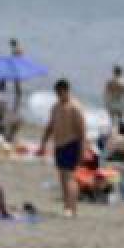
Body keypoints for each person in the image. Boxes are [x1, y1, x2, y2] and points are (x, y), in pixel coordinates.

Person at [37, 79, 87, 218]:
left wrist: (82, 151)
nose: (58, 96)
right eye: (57, 93)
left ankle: (72, 208)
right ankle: (67, 206)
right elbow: (50, 126)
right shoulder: (56, 107)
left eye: (60, 93)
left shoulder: (75, 107)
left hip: (71, 144)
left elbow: (82, 132)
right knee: (62, 177)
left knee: (69, 177)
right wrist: (43, 143)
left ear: (66, 90)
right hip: (59, 145)